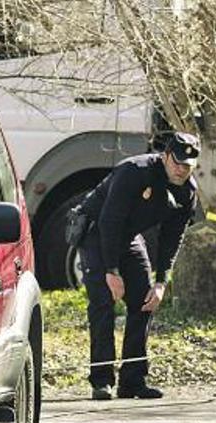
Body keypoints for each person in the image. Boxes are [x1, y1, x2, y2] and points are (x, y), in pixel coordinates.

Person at [76, 132, 199, 400]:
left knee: (144, 301)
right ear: (166, 156)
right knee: (102, 304)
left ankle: (133, 380)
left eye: (188, 166)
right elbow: (110, 221)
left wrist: (161, 282)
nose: (181, 170)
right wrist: (111, 271)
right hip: (97, 233)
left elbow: (172, 238)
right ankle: (101, 380)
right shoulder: (135, 172)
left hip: (129, 237)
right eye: (177, 163)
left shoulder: (187, 192)